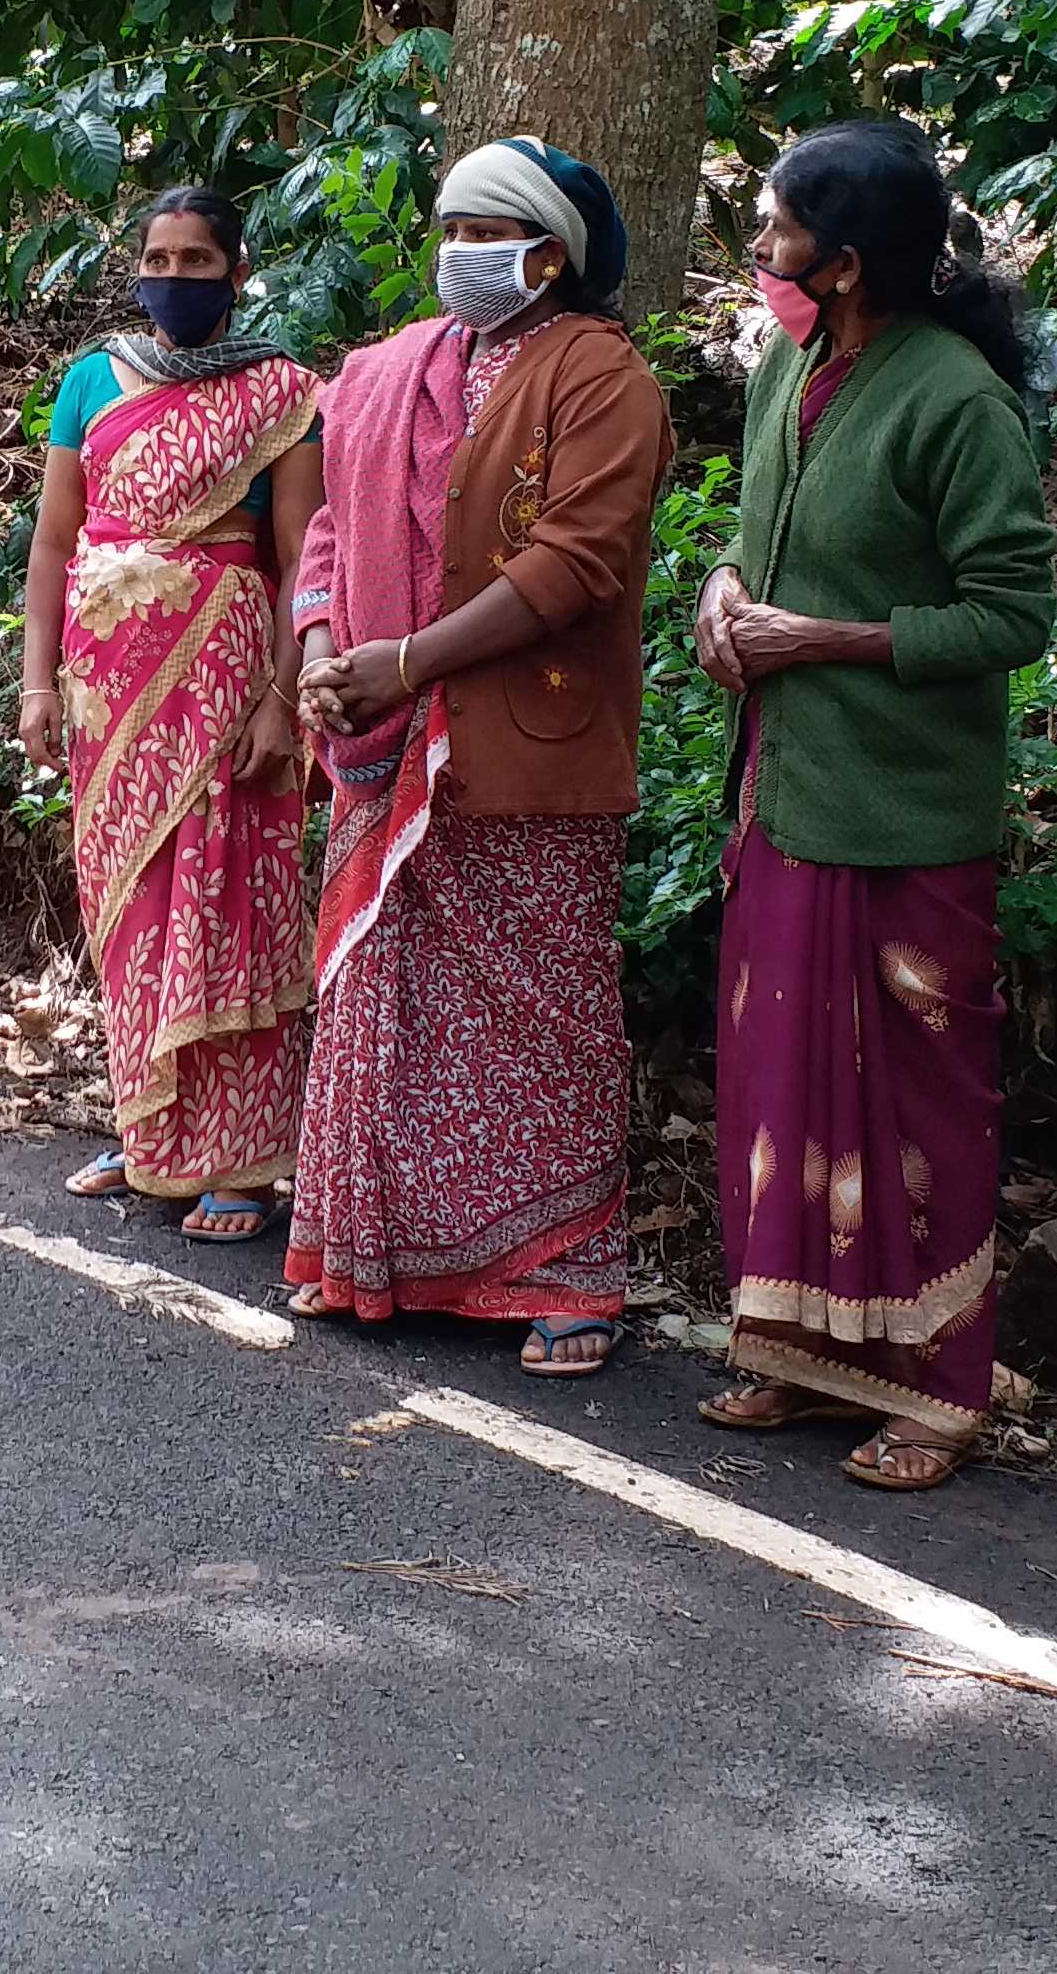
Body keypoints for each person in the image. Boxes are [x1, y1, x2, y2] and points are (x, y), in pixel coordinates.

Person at [689, 121, 1057, 1489]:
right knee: (783, 1086)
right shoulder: (791, 362)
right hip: (781, 792)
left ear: (843, 264)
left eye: (779, 231)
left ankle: (935, 1388)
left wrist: (828, 642)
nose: (762, 252)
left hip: (902, 816)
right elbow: (756, 539)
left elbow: (1015, 613)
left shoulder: (955, 401)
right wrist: (727, 598)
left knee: (914, 1103)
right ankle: (799, 1353)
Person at [283, 139, 676, 1375]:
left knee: (537, 1011)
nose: (458, 255)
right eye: (447, 229)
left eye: (483, 233)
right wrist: (316, 652)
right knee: (387, 999)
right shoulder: (388, 368)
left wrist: (409, 660)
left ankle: (562, 1272)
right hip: (376, 729)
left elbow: (574, 564)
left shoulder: (601, 375)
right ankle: (386, 1255)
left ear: (549, 254)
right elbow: (333, 531)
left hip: (521, 737)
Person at [19, 183, 323, 1241]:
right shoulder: (91, 380)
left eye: (199, 261)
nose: (176, 278)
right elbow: (55, 543)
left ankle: (239, 1161)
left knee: (224, 898)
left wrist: (283, 702)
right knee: (131, 907)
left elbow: (301, 560)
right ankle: (153, 1130)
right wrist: (37, 681)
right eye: (160, 258)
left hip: (225, 677)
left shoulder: (284, 391)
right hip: (108, 690)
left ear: (237, 272)